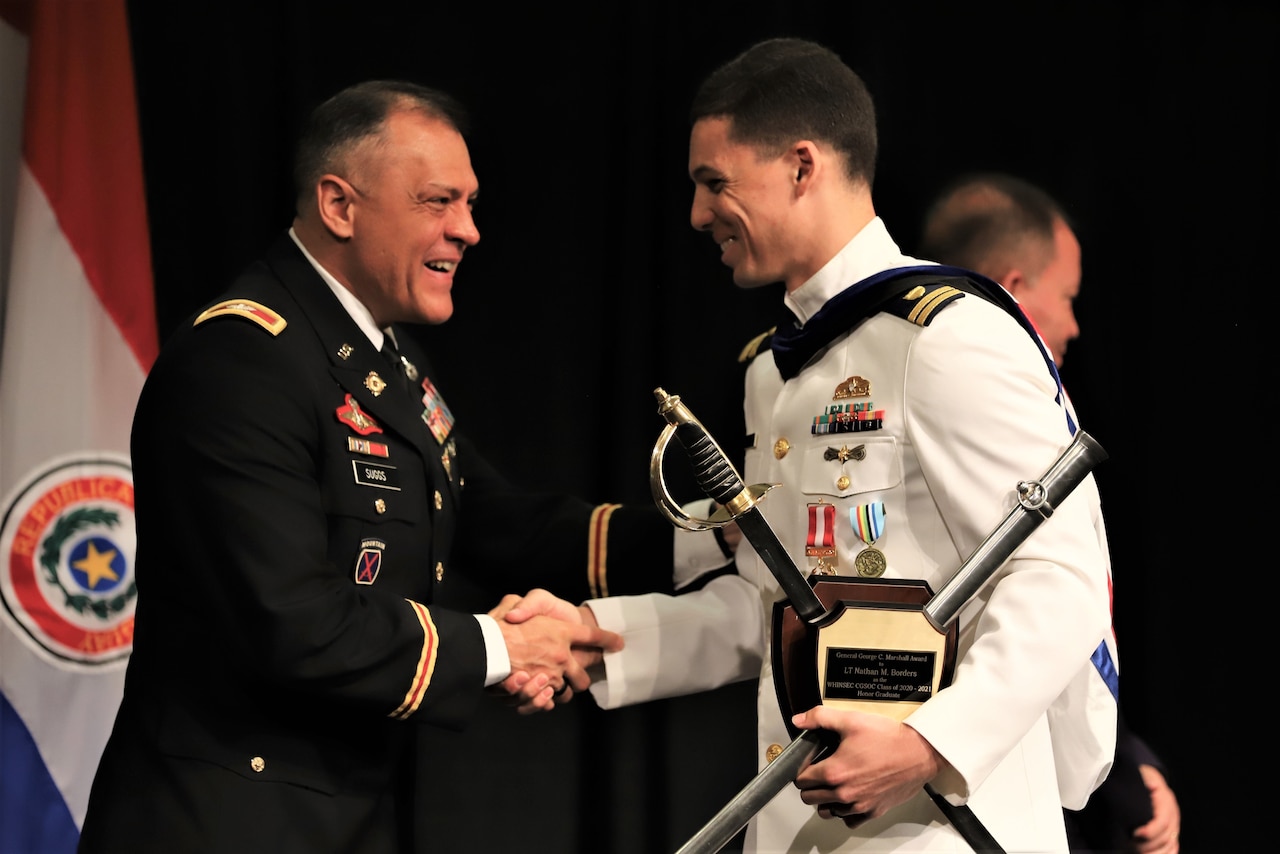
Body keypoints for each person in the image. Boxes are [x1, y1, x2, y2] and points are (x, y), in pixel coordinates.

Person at [506, 37, 1119, 853]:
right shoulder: (776, 370)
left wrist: (932, 743)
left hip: (943, 829)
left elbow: (1061, 574)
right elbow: (775, 606)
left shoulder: (948, 336)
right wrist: (595, 635)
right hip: (803, 825)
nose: (696, 215)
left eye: (714, 183)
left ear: (803, 166)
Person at [76, 80, 699, 854]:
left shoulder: (380, 354)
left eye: (470, 205)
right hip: (222, 823)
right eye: (439, 202)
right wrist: (503, 649)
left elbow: (490, 518)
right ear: (339, 206)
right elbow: (294, 619)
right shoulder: (239, 360)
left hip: (348, 813)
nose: (468, 230)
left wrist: (710, 544)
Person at [918, 171, 1180, 854]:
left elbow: (1048, 619)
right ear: (1015, 289)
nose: (1073, 323)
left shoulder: (1034, 407)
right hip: (950, 799)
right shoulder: (947, 403)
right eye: (1066, 297)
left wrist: (1125, 762)